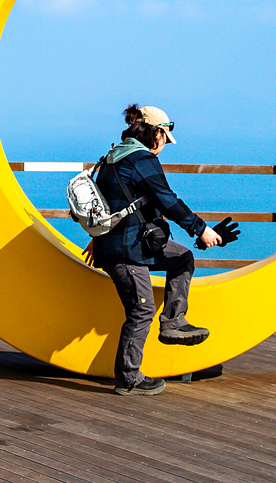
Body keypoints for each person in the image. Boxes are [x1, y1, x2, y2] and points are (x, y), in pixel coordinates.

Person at [90, 103, 221, 396]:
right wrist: (201, 229)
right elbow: (168, 200)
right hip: (126, 250)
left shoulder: (111, 157)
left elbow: (104, 204)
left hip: (126, 243)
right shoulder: (142, 160)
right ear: (156, 133)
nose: (163, 146)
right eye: (164, 138)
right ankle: (129, 379)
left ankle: (173, 321)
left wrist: (97, 237)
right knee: (142, 310)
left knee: (182, 257)